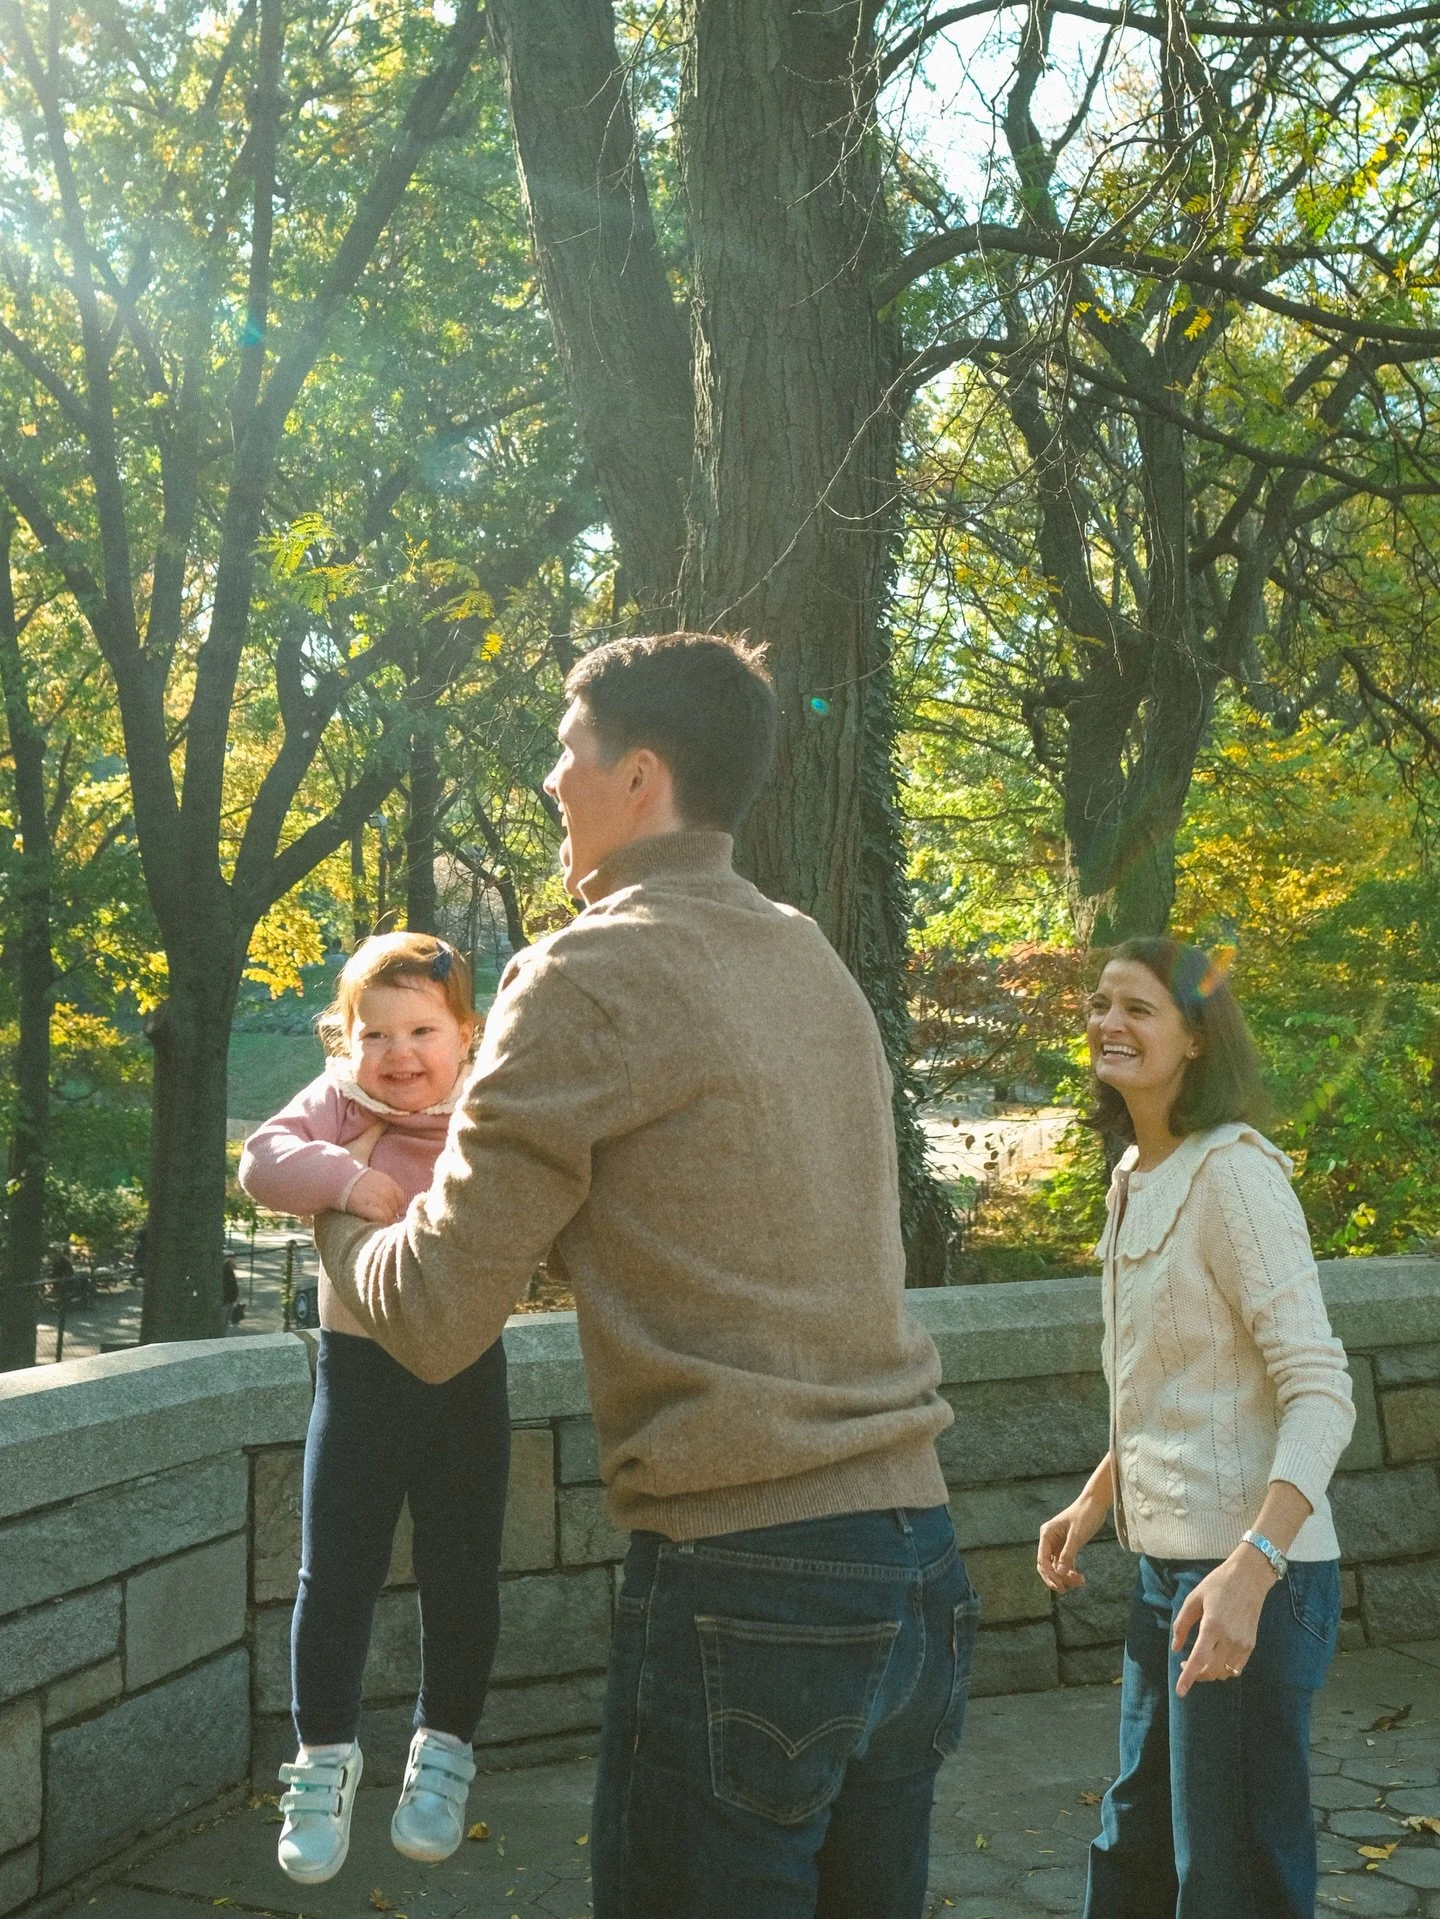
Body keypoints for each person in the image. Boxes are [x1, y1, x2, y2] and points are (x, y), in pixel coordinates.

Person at [315, 632, 977, 1919]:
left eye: (568, 754)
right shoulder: (811, 956)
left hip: (748, 1581)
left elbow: (442, 1315)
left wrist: (338, 1201)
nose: (550, 782)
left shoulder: (586, 970)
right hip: (920, 1566)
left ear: (641, 776)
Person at [1037, 939, 1356, 1919]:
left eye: (1138, 1007)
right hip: (1165, 1575)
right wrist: (1098, 1496)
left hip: (1257, 1579)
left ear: (1195, 1039)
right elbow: (1165, 1379)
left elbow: (1322, 1387)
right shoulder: (1136, 1171)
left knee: (1231, 1872)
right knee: (1135, 1836)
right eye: (1099, 1002)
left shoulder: (1235, 1172)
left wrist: (1252, 1568)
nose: (1109, 1022)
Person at [238, 933, 508, 1886]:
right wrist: (348, 1179)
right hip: (359, 1376)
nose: (400, 1053)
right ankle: (323, 1760)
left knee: (462, 1570)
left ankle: (443, 1754)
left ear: (466, 1034)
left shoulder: (486, 1107)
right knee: (335, 1572)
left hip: (469, 1373)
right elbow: (264, 1161)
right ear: (344, 1041)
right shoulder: (340, 1104)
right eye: (375, 1032)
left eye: (423, 1028)